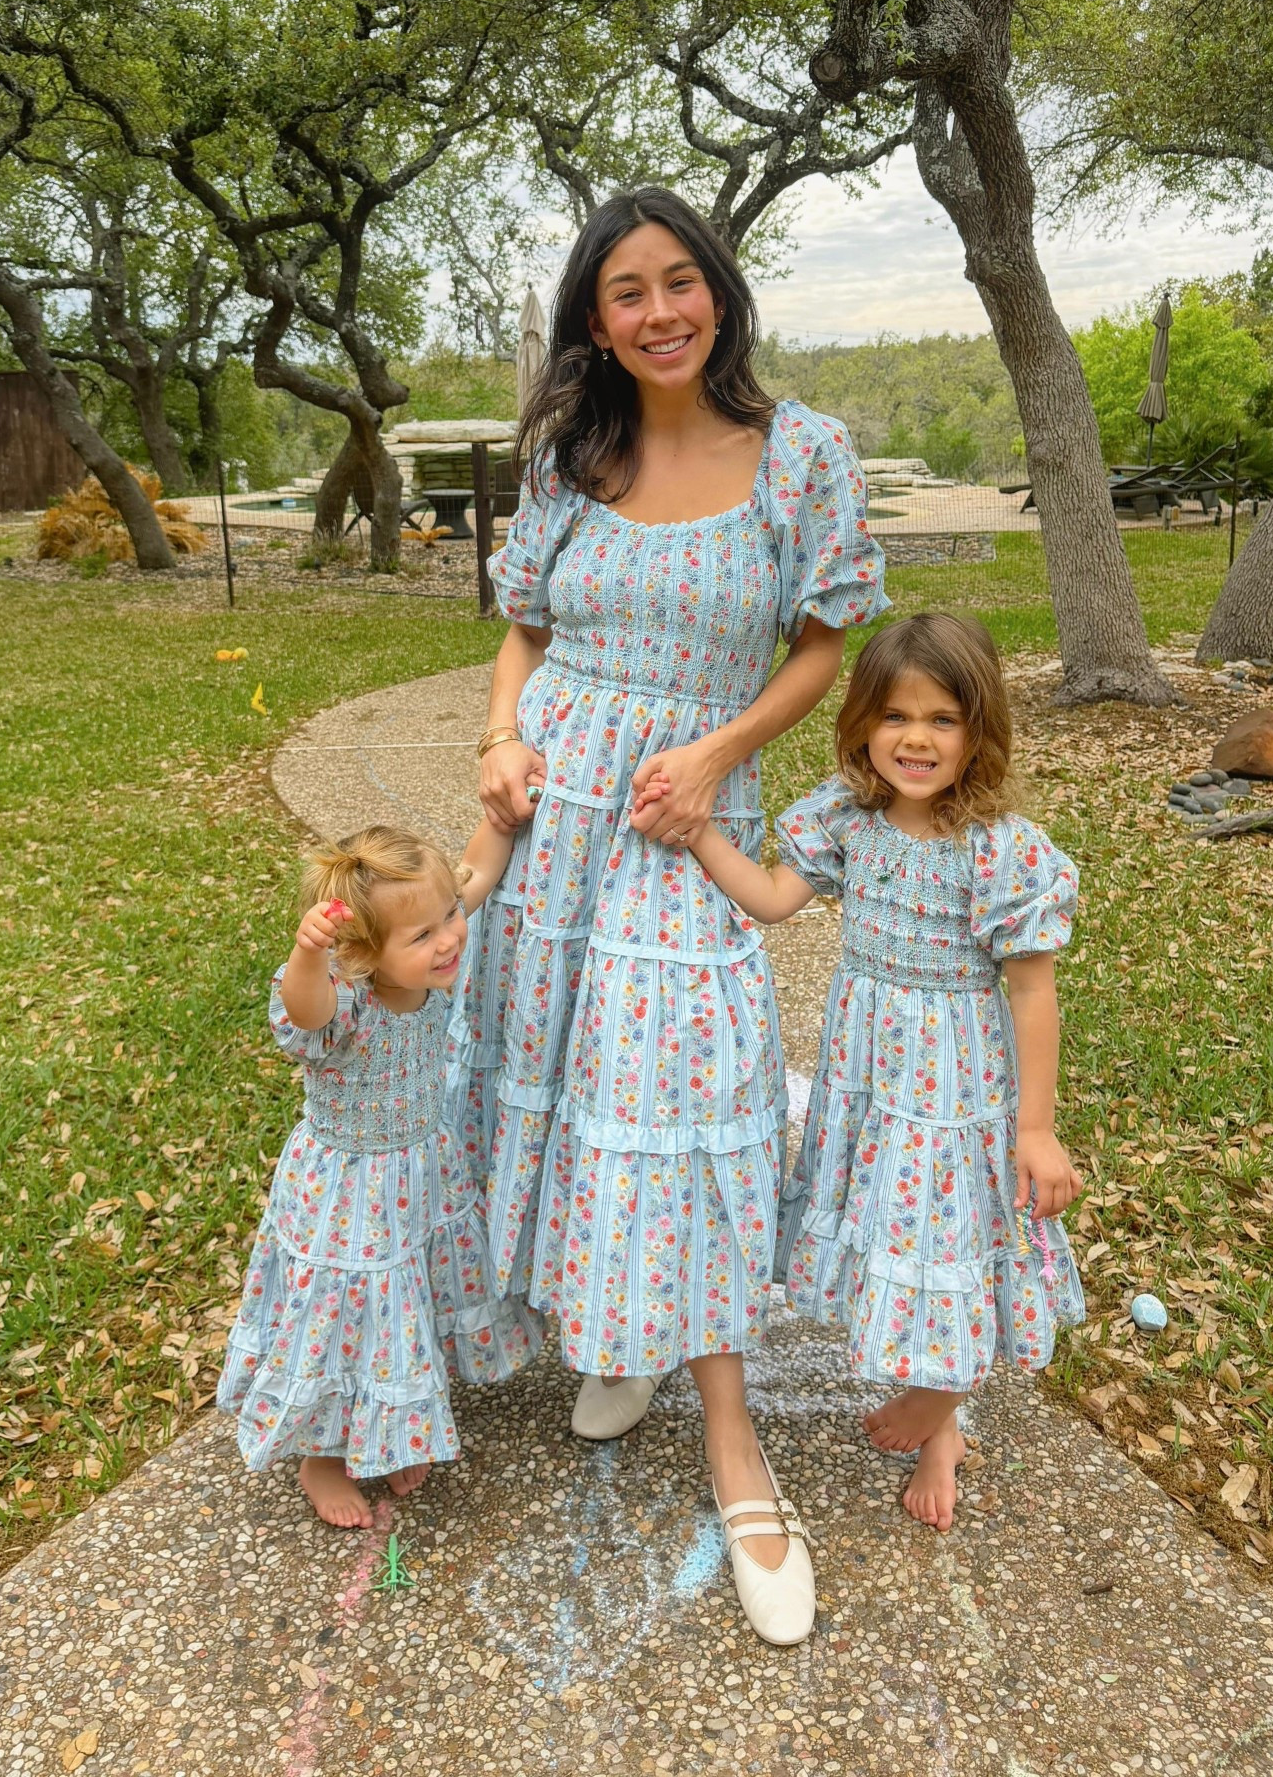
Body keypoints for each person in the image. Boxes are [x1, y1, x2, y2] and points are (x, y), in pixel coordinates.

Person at [449, 185, 887, 1643]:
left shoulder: (802, 455)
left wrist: (716, 756)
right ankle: (620, 1331)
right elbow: (526, 628)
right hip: (558, 813)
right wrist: (502, 740)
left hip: (687, 823)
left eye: (679, 281)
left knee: (686, 1098)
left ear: (722, 293)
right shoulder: (574, 460)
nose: (657, 312)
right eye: (624, 291)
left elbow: (827, 643)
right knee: (576, 1086)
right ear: (595, 318)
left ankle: (735, 1446)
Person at [648, 610, 1084, 1533]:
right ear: (862, 724)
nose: (916, 739)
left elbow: (1033, 994)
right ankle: (941, 1419)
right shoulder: (849, 818)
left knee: (946, 1243)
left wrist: (1034, 1128)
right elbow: (771, 899)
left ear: (980, 729)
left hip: (953, 1088)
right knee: (893, 1234)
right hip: (868, 1073)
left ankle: (937, 1416)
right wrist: (696, 837)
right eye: (894, 716)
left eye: (942, 719)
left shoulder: (1000, 850)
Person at [218, 821, 543, 1529]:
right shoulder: (347, 1005)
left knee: (406, 1308)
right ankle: (322, 1457)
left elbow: (477, 874)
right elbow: (304, 1011)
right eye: (423, 935)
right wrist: (309, 954)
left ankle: (394, 1429)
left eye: (449, 918)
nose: (450, 938)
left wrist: (498, 820)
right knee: (345, 1317)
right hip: (349, 1196)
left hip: (422, 1177)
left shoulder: (432, 965)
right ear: (359, 956)